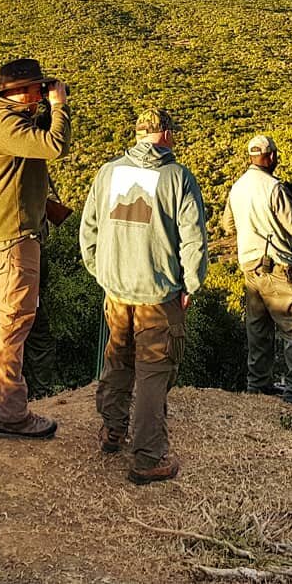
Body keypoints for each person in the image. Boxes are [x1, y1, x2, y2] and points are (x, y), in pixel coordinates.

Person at [80, 108, 208, 484]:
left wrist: (101, 271)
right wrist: (190, 285)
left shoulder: (108, 172)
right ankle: (147, 455)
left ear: (137, 135)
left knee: (117, 359)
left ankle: (113, 431)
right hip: (158, 293)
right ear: (166, 134)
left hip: (116, 288)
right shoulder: (178, 177)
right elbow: (194, 241)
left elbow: (89, 229)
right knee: (153, 372)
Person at [0, 57, 71, 439]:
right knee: (13, 327)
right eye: (38, 89)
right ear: (23, 91)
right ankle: (12, 415)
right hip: (13, 239)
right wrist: (59, 107)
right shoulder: (5, 123)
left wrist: (43, 109)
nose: (42, 95)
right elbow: (55, 145)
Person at [222, 134, 292, 406]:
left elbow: (228, 226)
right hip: (276, 265)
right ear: (270, 157)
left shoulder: (237, 187)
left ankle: (258, 385)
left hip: (249, 266)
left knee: (258, 328)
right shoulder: (274, 187)